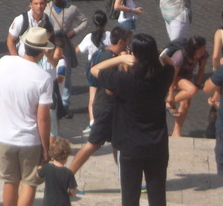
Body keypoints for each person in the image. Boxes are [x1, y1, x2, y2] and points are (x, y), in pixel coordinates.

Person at [91, 33, 173, 204]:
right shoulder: (163, 77)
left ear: (134, 55)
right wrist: (157, 53)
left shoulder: (123, 80)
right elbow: (170, 63)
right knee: (158, 196)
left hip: (129, 147)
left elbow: (95, 69)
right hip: (157, 145)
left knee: (129, 197)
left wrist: (120, 60)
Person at [0, 26, 53, 206]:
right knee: (30, 183)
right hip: (30, 141)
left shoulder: (4, 62)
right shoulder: (44, 78)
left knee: (10, 182)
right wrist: (46, 148)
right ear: (42, 51)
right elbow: (43, 118)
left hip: (5, 137)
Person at [69, 25, 131, 175]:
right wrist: (124, 67)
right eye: (129, 40)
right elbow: (111, 88)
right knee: (93, 144)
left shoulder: (103, 52)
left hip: (107, 106)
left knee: (119, 144)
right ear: (122, 41)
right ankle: (67, 175)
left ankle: (126, 177)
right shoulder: (112, 59)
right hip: (106, 108)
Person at [45, 0, 87, 112]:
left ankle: (65, 104)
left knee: (66, 74)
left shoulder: (72, 8)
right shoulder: (46, 8)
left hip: (65, 45)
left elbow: (85, 20)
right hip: (49, 45)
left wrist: (75, 31)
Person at [164, 36, 208, 138]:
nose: (203, 52)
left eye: (204, 49)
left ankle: (176, 132)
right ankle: (168, 103)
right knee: (192, 90)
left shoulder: (203, 56)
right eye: (200, 50)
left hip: (187, 77)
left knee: (185, 104)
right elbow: (172, 75)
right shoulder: (180, 56)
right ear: (193, 50)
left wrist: (197, 82)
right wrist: (170, 94)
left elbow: (201, 69)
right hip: (174, 76)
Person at [37, 137, 77, 206]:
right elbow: (73, 191)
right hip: (63, 203)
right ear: (67, 156)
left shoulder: (46, 168)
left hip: (48, 203)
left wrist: (40, 164)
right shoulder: (68, 173)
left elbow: (38, 174)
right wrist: (70, 194)